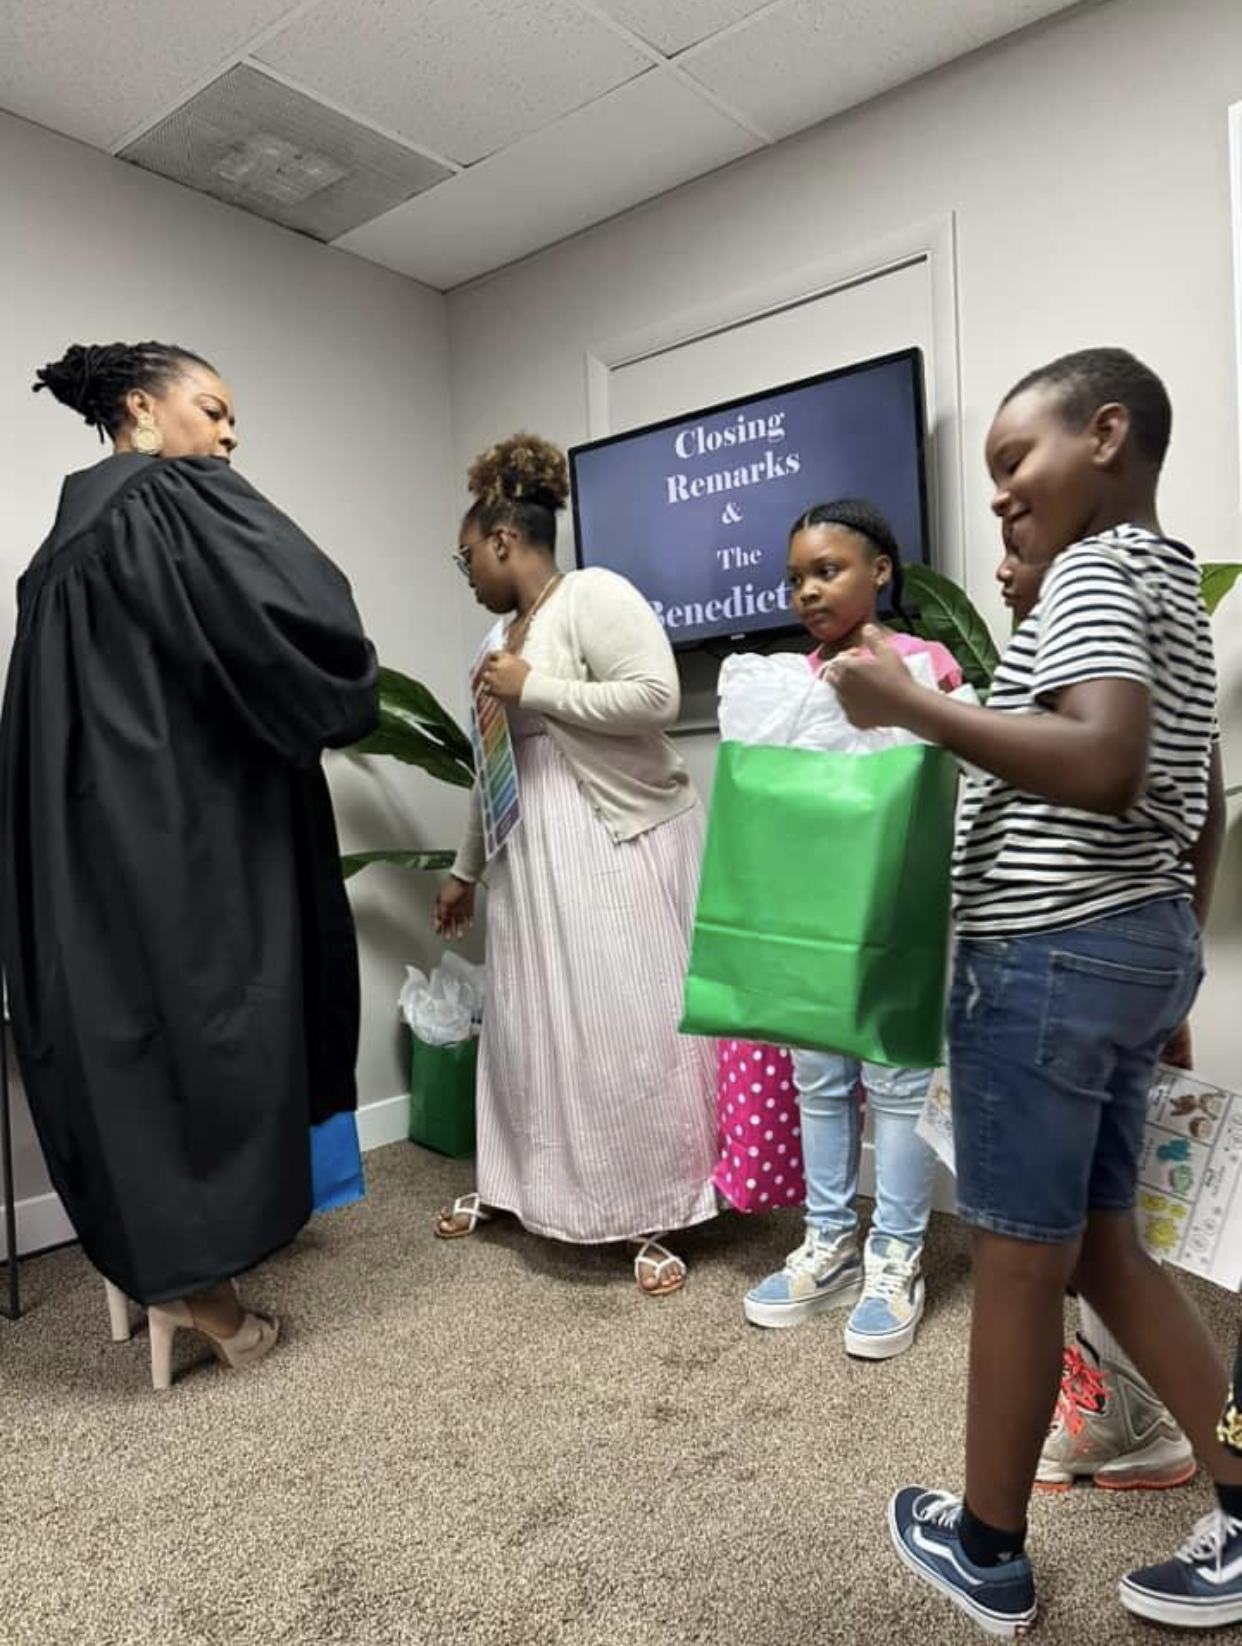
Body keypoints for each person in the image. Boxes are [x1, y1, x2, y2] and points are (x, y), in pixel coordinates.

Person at [828, 348, 1234, 1634]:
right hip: (1134, 941)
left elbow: (1106, 761)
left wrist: (913, 704)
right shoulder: (1170, 587)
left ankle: (991, 1545)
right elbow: (1195, 795)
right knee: (1106, 1245)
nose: (1000, 496)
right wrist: (1173, 944)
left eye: (1016, 463)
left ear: (1106, 435)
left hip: (1047, 959)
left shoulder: (1100, 571)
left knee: (1016, 1254)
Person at [1, 342, 378, 1388]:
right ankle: (203, 1291)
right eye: (211, 408)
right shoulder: (169, 500)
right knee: (217, 1017)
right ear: (140, 406)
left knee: (133, 1038)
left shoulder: (54, 552)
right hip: (177, 833)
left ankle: (156, 1267)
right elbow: (314, 624)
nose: (227, 434)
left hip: (86, 854)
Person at [431, 433, 717, 1295]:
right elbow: (493, 764)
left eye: (467, 554)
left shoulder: (593, 594)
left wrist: (536, 688)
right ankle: (526, 1187)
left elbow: (655, 697)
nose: (468, 572)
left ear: (505, 541)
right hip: (528, 854)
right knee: (528, 1030)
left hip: (607, 842)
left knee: (623, 1024)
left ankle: (654, 1206)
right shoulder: (493, 638)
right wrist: (465, 869)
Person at [740, 500, 962, 1358]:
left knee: (899, 1083)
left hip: (898, 910)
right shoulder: (789, 687)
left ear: (880, 571)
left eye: (827, 570)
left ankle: (897, 1251)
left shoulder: (927, 665)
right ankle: (829, 1240)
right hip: (811, 913)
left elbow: (949, 784)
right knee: (820, 1079)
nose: (806, 589)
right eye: (795, 576)